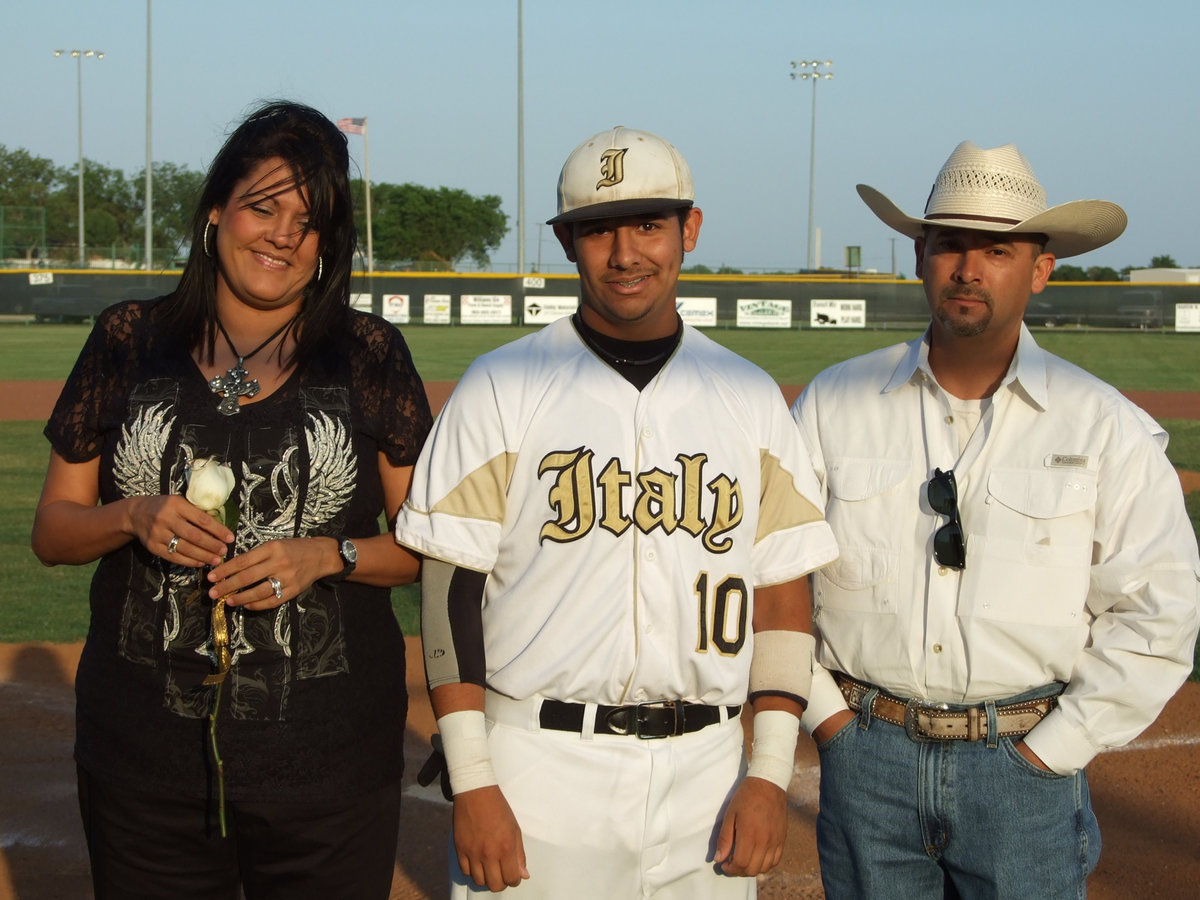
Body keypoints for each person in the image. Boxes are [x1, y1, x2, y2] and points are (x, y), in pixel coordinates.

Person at [395, 126, 838, 897]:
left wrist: (767, 773)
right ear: (568, 242)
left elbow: (781, 592)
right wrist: (471, 779)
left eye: (649, 225)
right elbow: (449, 591)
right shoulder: (503, 385)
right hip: (538, 767)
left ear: (688, 230)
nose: (625, 253)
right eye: (597, 229)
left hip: (707, 775)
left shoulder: (749, 397)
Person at [31, 101, 433, 899]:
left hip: (328, 762)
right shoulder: (127, 339)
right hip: (144, 758)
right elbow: (54, 531)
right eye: (263, 206)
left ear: (329, 244)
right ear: (216, 209)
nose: (283, 234)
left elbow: (429, 545)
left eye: (308, 220)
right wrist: (129, 514)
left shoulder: (368, 353)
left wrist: (330, 554)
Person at [792, 141, 1200, 898]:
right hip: (865, 756)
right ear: (921, 255)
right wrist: (829, 723)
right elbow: (776, 571)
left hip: (1024, 769)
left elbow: (1160, 609)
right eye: (950, 245)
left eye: (998, 250)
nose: (969, 269)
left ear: (1040, 270)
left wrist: (1054, 750)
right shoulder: (833, 402)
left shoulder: (1102, 425)